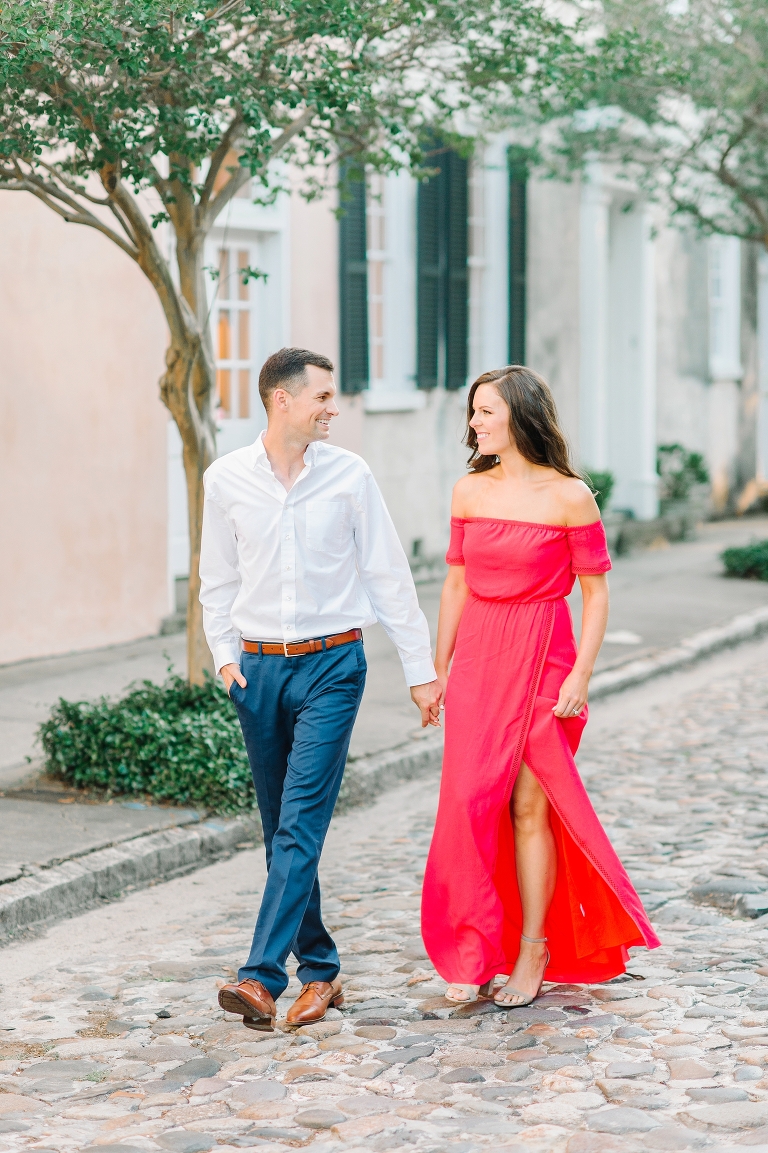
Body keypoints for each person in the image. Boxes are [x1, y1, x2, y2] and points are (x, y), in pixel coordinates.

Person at [200, 347, 441, 1031]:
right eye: (324, 397)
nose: (334, 408)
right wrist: (225, 658)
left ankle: (260, 977)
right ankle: (322, 969)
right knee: (280, 830)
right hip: (257, 671)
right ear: (283, 400)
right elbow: (217, 578)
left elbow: (389, 575)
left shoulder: (349, 475)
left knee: (300, 820)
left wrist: (420, 671)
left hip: (333, 666)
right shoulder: (226, 478)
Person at [421, 366, 659, 1006]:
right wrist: (437, 671)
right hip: (478, 659)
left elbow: (595, 593)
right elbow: (455, 584)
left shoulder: (570, 496)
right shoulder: (469, 491)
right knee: (469, 806)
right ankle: (475, 948)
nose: (475, 422)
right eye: (474, 411)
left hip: (544, 659)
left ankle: (532, 950)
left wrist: (582, 674)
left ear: (521, 416)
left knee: (529, 807)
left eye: (486, 411)